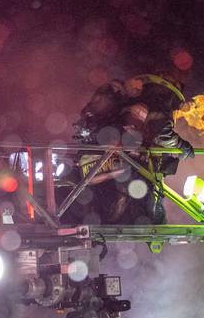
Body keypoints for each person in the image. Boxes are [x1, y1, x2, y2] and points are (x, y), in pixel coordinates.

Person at [72, 71, 195, 223]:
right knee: (146, 198)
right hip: (127, 167)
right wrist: (183, 147)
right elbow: (161, 131)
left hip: (106, 167)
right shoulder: (160, 98)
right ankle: (149, 222)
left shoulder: (131, 100)